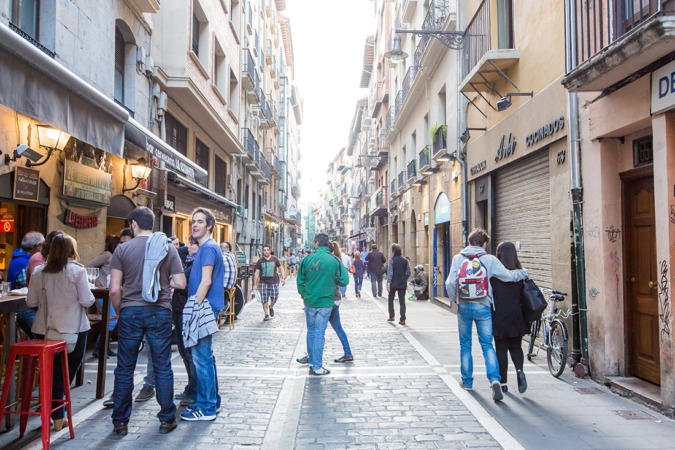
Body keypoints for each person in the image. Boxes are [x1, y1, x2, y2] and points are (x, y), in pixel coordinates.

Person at [109, 207, 185, 435]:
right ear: (152, 224)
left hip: (130, 311)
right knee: (162, 366)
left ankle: (120, 422)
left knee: (124, 368)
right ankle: (166, 419)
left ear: (133, 224)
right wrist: (163, 283)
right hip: (159, 311)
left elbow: (114, 290)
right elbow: (180, 283)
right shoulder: (167, 248)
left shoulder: (122, 249)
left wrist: (120, 313)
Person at [445, 228, 528, 402]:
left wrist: (456, 299)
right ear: (484, 244)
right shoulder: (489, 259)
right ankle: (494, 379)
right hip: (483, 306)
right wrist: (524, 273)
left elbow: (450, 283)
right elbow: (507, 276)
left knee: (465, 345)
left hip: (464, 307)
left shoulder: (458, 258)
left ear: (469, 242)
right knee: (487, 345)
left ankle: (467, 381)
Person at [27, 233, 95, 431]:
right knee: (63, 375)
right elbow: (87, 301)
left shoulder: (39, 271)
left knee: (50, 373)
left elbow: (31, 302)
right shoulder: (77, 272)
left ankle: (52, 412)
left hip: (43, 330)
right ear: (71, 251)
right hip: (73, 330)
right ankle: (57, 415)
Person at [180, 207, 225, 422]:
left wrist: (193, 308)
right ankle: (211, 402)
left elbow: (206, 281)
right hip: (207, 307)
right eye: (193, 222)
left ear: (209, 226)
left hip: (203, 307)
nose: (195, 225)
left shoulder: (207, 248)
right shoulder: (209, 247)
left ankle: (206, 408)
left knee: (201, 359)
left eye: (200, 221)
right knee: (206, 357)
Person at [296, 233, 349, 375]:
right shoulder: (334, 260)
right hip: (326, 301)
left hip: (310, 301)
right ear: (327, 244)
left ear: (316, 243)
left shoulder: (307, 259)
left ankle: (313, 362)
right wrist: (333, 280)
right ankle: (317, 366)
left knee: (311, 331)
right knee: (319, 333)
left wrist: (304, 294)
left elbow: (300, 280)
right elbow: (345, 280)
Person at [492, 241, 529, 394]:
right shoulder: (519, 274)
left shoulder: (494, 275)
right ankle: (520, 371)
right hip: (516, 315)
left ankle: (503, 383)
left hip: (499, 316)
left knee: (501, 349)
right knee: (516, 347)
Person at [172, 236, 200, 407]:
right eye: (189, 243)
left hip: (187, 309)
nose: (189, 247)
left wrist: (174, 283)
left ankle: (194, 390)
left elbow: (186, 286)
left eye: (193, 244)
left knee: (189, 353)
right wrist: (189, 249)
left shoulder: (198, 264)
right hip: (179, 308)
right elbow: (177, 252)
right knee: (184, 352)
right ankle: (191, 387)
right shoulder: (190, 260)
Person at [90, 236, 121, 358]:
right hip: (103, 291)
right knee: (111, 319)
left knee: (112, 319)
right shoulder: (107, 255)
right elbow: (91, 264)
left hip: (110, 291)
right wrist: (97, 280)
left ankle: (104, 347)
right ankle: (99, 348)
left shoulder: (117, 257)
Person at [12, 231, 45, 337]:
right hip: (22, 307)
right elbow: (25, 285)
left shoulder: (17, 257)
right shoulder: (25, 262)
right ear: (38, 246)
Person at [253, 244, 286, 321]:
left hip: (274, 282)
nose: (266, 251)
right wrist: (255, 284)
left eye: (267, 250)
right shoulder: (260, 261)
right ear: (262, 251)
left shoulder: (275, 259)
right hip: (263, 283)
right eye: (264, 250)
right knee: (264, 299)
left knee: (275, 297)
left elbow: (281, 268)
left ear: (270, 251)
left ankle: (271, 307)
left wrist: (283, 278)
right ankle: (266, 314)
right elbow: (257, 273)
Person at [386, 244, 410, 325]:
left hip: (393, 283)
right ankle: (402, 319)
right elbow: (408, 272)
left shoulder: (391, 260)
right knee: (402, 301)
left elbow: (390, 273)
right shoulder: (405, 261)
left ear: (393, 251)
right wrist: (404, 278)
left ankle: (391, 316)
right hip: (402, 283)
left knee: (390, 299)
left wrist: (388, 283)